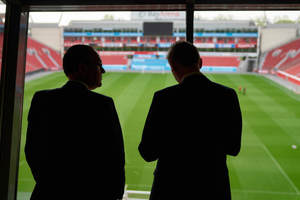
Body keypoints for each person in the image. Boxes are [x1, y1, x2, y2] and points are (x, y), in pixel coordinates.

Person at [138, 41, 242, 199]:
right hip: (213, 188)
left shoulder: (163, 98)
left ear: (173, 67)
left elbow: (147, 152)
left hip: (170, 188)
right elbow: (233, 148)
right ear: (200, 62)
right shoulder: (227, 96)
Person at [25, 45, 125, 200]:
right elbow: (115, 158)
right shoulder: (102, 104)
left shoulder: (42, 99)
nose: (103, 71)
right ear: (82, 68)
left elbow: (32, 150)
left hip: (47, 192)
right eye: (99, 65)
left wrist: (48, 183)